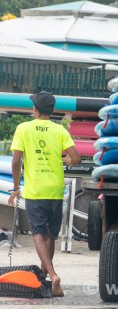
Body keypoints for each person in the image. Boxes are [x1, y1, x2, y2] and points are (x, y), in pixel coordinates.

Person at [8, 91, 81, 297]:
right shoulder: (59, 130)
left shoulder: (23, 128)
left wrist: (15, 188)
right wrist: (65, 160)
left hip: (36, 190)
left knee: (38, 234)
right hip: (56, 190)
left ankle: (52, 274)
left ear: (35, 109)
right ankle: (43, 276)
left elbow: (16, 161)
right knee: (50, 235)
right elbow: (76, 158)